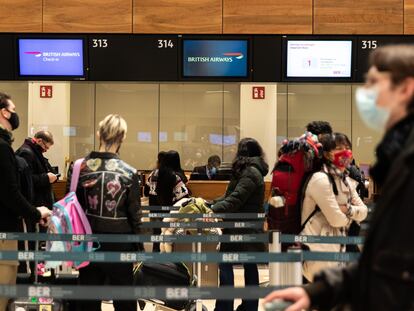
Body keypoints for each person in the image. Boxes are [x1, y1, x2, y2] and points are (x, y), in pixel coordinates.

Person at [264, 45, 414, 310]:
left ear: (405, 88)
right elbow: (383, 258)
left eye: (375, 84)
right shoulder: (397, 157)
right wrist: (319, 292)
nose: (367, 95)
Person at [67, 114, 142, 311]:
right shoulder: (130, 172)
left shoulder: (79, 168)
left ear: (99, 133)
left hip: (88, 242)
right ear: (123, 137)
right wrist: (140, 246)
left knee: (88, 299)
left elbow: (73, 207)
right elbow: (135, 215)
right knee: (124, 299)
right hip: (120, 244)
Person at [0, 92, 51, 311]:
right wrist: (36, 213)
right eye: (13, 110)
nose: (15, 115)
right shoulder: (3, 148)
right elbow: (9, 193)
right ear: (4, 112)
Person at [300, 133, 367, 282]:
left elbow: (364, 212)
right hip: (319, 255)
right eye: (339, 148)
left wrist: (347, 210)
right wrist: (351, 217)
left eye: (348, 148)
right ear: (327, 154)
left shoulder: (346, 179)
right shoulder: (321, 179)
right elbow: (336, 220)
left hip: (338, 250)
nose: (345, 151)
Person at [212, 138, 268, 311]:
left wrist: (213, 209)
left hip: (242, 228)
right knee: (250, 268)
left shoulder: (250, 172)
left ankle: (225, 307)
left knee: (226, 265)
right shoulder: (249, 171)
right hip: (246, 227)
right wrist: (210, 204)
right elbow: (230, 195)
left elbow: (236, 199)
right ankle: (249, 307)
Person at [16, 131, 57, 209]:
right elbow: (25, 179)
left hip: (40, 200)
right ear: (39, 141)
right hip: (34, 202)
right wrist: (46, 178)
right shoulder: (26, 152)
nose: (45, 150)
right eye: (45, 147)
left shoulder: (35, 151)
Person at [144, 151, 166, 252]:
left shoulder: (152, 174)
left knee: (156, 233)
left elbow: (145, 192)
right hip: (164, 208)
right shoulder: (169, 174)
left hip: (153, 207)